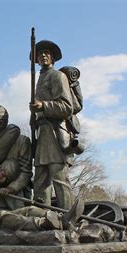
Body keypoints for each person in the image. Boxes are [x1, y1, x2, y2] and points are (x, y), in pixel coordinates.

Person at [29, 40, 75, 210]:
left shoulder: (57, 76)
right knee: (40, 179)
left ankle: (69, 219)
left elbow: (67, 107)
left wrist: (43, 105)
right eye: (39, 53)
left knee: (59, 179)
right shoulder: (40, 79)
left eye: (46, 52)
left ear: (53, 57)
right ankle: (41, 219)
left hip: (56, 134)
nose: (42, 55)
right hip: (42, 133)